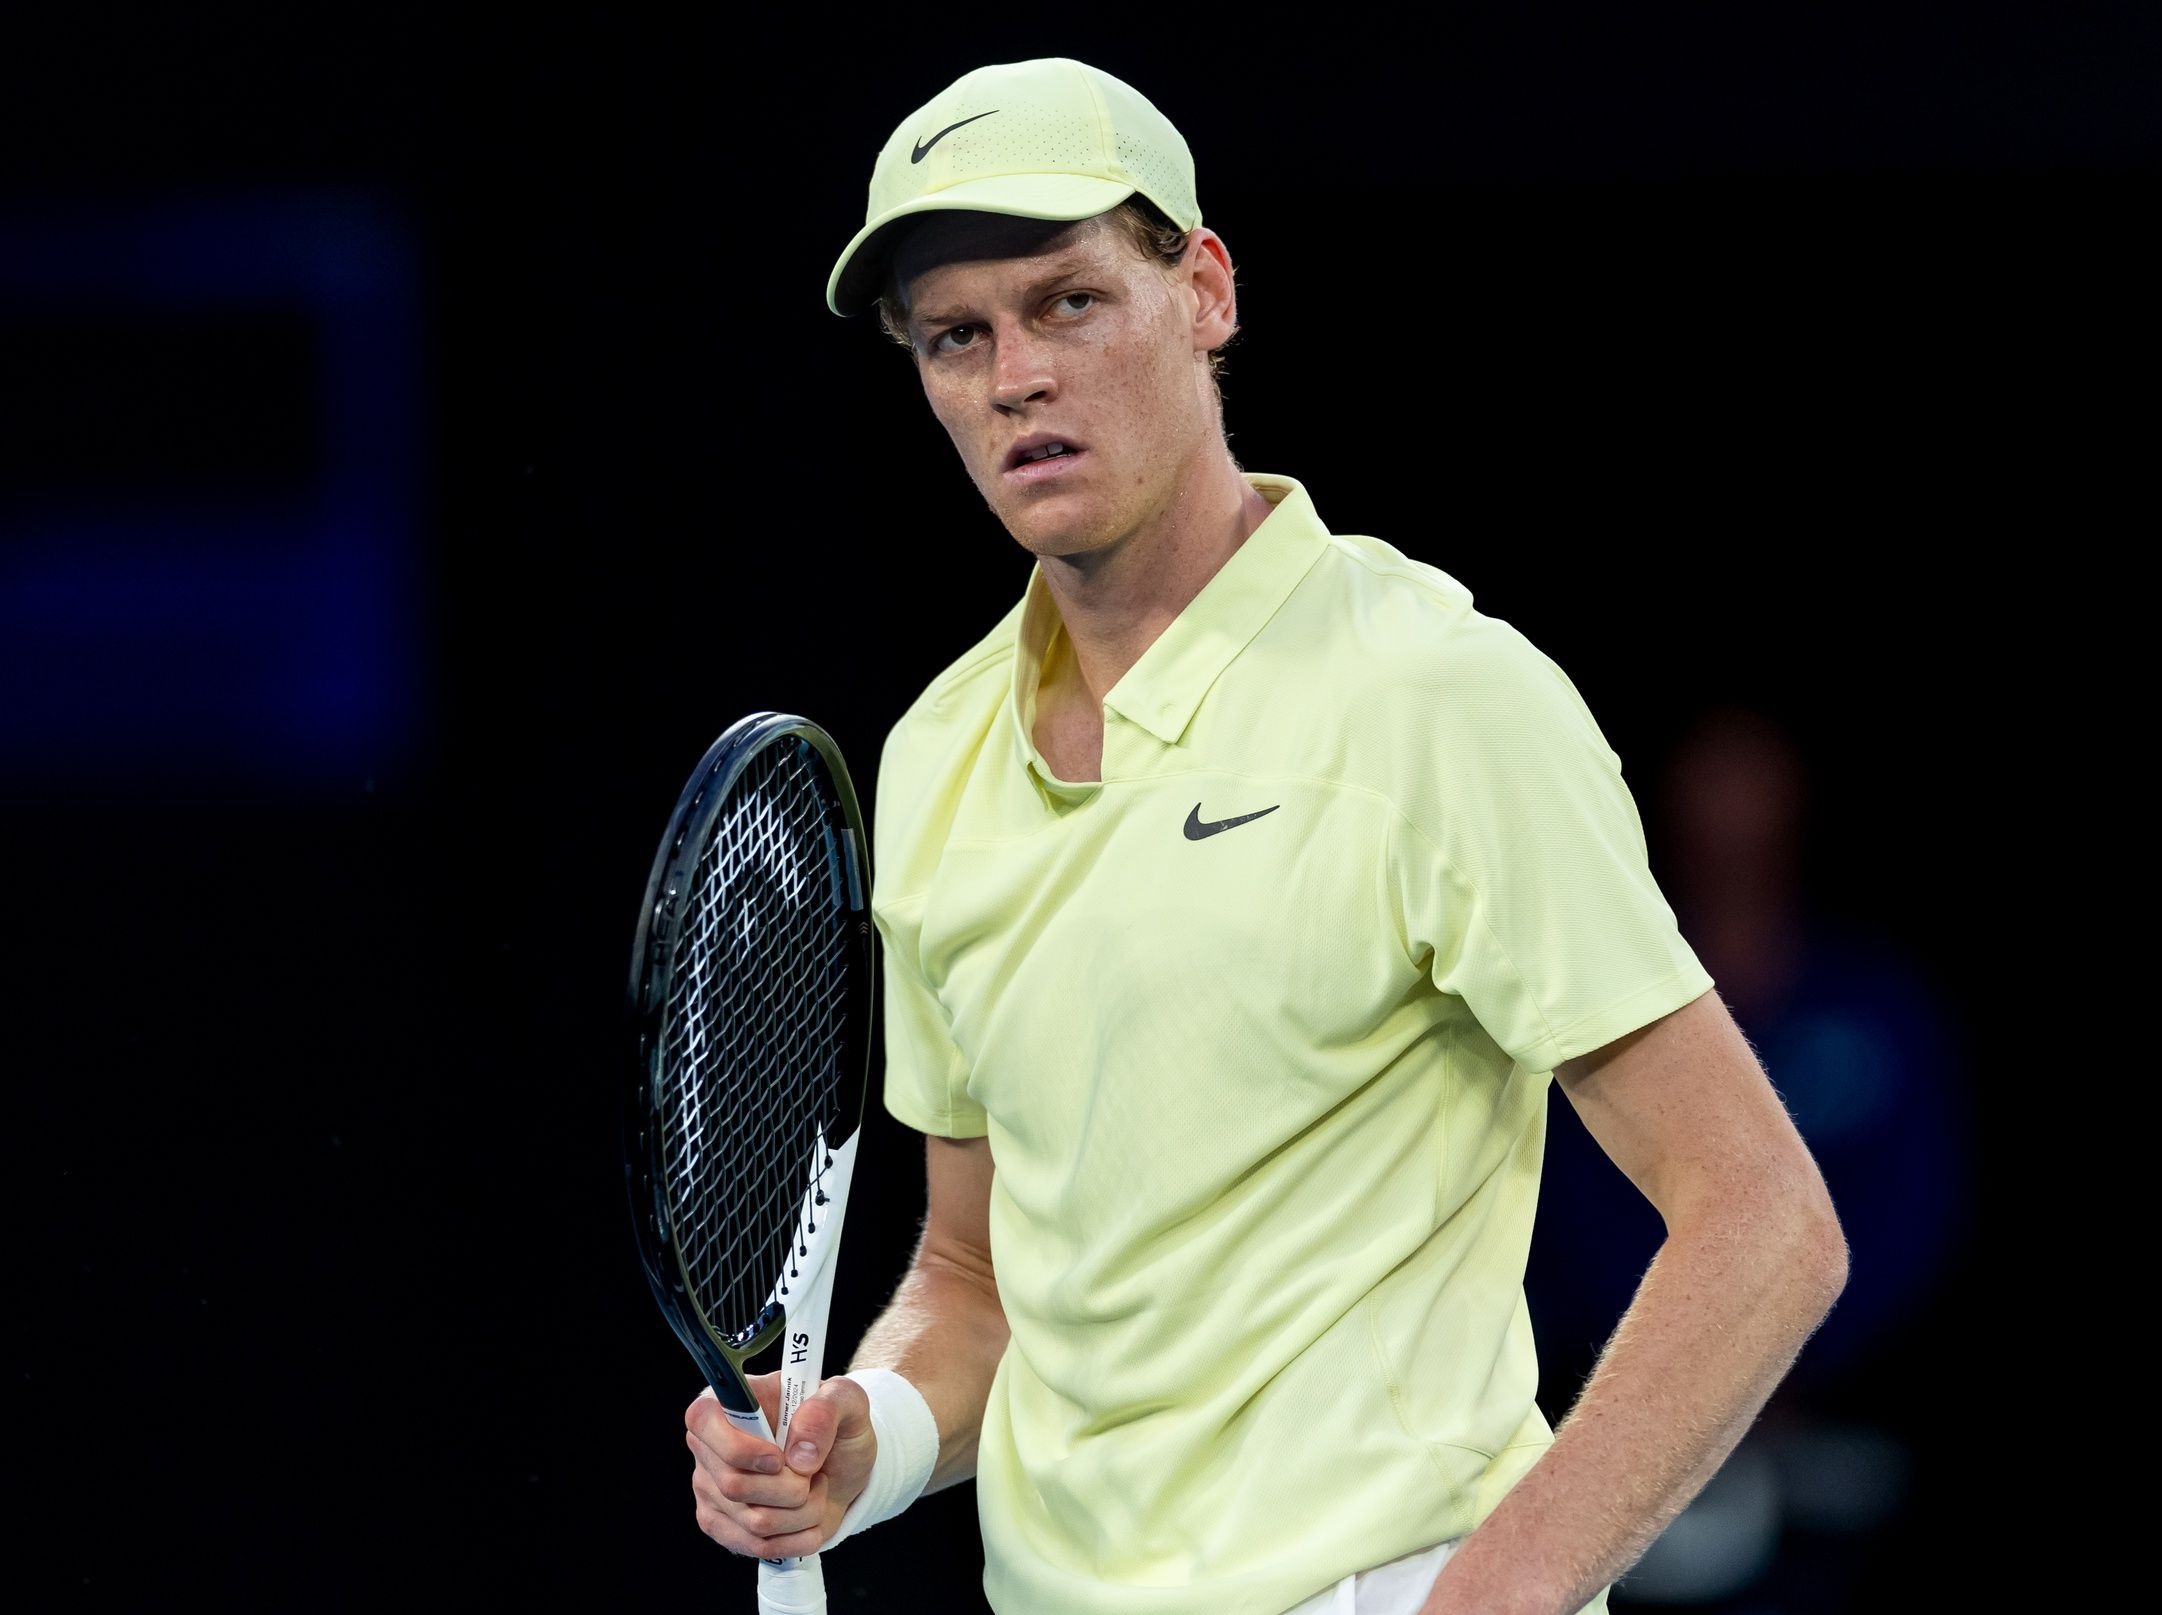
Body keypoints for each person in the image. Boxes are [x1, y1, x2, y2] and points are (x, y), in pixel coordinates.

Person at [682, 57, 1848, 1615]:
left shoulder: (1434, 695)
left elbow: (1764, 1222)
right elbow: (976, 1284)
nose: (1015, 374)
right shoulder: (936, 758)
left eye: (1070, 302)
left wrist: (1496, 1598)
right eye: (956, 336)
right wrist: (865, 1438)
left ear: (1206, 290)